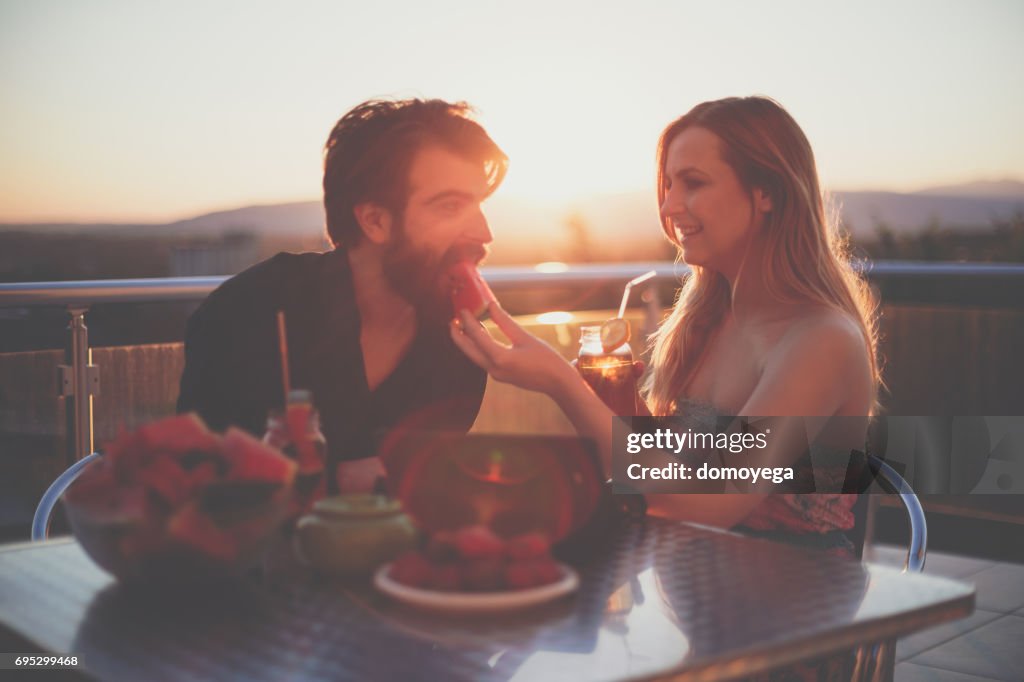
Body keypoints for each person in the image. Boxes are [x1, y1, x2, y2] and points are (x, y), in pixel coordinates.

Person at [450, 96, 880, 550]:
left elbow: (708, 502)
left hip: (798, 602)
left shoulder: (821, 340)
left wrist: (563, 385)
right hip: (698, 586)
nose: (670, 206)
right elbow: (679, 467)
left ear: (767, 193)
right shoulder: (711, 320)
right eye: (668, 184)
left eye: (693, 183)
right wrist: (625, 409)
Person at [178, 98, 508, 494]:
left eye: (479, 205)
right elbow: (191, 490)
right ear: (375, 221)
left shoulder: (459, 345)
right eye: (450, 206)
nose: (483, 233)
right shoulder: (248, 314)